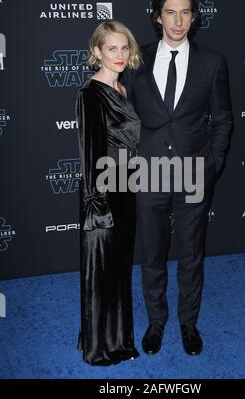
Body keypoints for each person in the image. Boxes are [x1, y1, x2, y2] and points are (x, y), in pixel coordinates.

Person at [123, 0, 233, 356]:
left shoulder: (212, 61)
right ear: (158, 17)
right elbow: (126, 118)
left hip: (194, 173)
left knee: (191, 255)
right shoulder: (136, 59)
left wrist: (212, 163)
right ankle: (156, 322)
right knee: (152, 253)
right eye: (170, 12)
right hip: (149, 173)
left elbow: (222, 118)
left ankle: (188, 323)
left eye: (185, 12)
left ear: (193, 17)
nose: (178, 20)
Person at [76, 20, 141, 365]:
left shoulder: (123, 89)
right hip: (102, 197)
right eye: (111, 48)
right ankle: (100, 346)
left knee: (119, 269)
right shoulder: (90, 94)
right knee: (102, 271)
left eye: (124, 47)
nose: (118, 54)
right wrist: (97, 205)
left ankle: (119, 339)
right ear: (97, 52)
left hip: (126, 190)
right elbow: (91, 155)